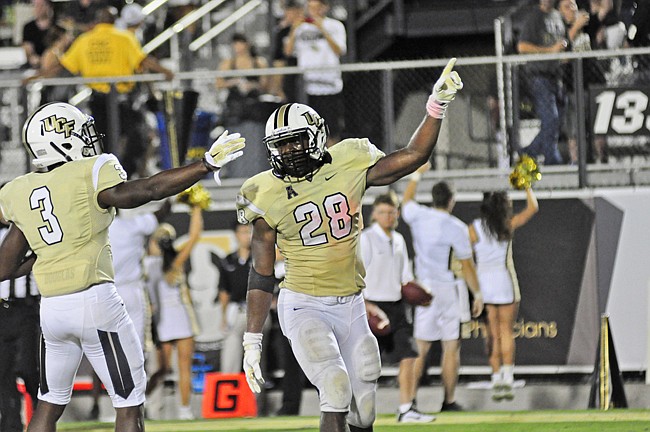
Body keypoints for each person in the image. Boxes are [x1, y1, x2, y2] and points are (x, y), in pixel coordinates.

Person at [237, 58, 463, 432]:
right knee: (335, 386)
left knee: (365, 409)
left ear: (317, 136)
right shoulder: (265, 190)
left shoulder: (349, 159)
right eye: (281, 144)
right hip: (304, 303)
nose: (289, 151)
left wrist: (436, 106)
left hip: (352, 302)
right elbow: (261, 272)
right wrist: (252, 338)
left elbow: (412, 156)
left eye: (295, 141)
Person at [0, 101, 245, 431]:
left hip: (53, 310)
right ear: (62, 139)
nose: (88, 140)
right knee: (129, 402)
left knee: (49, 401)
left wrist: (49, 255)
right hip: (95, 302)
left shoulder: (19, 190)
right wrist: (204, 165)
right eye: (79, 134)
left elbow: (4, 268)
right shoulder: (89, 171)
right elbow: (148, 189)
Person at [34, 6, 174, 177]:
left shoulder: (85, 40)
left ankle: (107, 177)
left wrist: (34, 77)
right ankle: (125, 175)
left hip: (98, 100)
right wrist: (165, 72)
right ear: (115, 20)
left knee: (103, 144)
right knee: (139, 137)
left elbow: (62, 66)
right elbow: (143, 60)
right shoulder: (124, 38)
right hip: (123, 99)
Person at [401, 163, 484, 413]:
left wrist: (416, 174)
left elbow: (406, 200)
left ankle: (409, 402)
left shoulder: (418, 215)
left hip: (423, 287)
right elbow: (467, 266)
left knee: (421, 348)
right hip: (447, 289)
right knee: (451, 346)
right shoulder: (456, 226)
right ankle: (448, 401)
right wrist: (477, 293)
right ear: (451, 200)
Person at [359, 192, 435, 423]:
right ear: (374, 214)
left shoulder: (400, 239)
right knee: (363, 364)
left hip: (396, 305)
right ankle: (354, 410)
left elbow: (405, 279)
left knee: (409, 355)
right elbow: (356, 275)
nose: (387, 217)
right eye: (383, 212)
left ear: (397, 214)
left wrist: (422, 293)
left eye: (392, 212)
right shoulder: (367, 239)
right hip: (372, 307)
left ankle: (406, 408)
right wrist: (366, 305)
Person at [468, 188, 538, 401]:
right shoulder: (506, 225)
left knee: (491, 333)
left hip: (483, 284)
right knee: (507, 332)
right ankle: (508, 377)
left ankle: (496, 377)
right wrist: (527, 187)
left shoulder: (474, 228)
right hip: (503, 282)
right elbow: (533, 208)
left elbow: (464, 256)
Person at [145, 205, 203, 420]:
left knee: (161, 371)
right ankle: (184, 410)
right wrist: (196, 208)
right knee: (182, 368)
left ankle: (144, 406)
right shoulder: (175, 263)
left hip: (163, 323)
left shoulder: (147, 265)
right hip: (180, 320)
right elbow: (195, 235)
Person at [284, 0, 347, 146]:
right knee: (308, 129)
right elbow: (288, 52)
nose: (313, 11)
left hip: (329, 85)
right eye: (310, 7)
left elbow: (340, 50)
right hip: (307, 87)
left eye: (317, 7)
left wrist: (322, 29)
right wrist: (294, 28)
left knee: (331, 128)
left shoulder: (335, 25)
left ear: (325, 7)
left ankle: (334, 160)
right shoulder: (301, 28)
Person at [0, 207, 40, 432]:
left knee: (28, 368)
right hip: (2, 310)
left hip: (27, 309)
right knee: (2, 372)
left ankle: (41, 419)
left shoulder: (30, 232)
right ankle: (11, 425)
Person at [517, 0, 569, 165]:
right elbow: (522, 47)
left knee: (557, 121)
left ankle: (527, 153)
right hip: (539, 75)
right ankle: (552, 160)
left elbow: (560, 42)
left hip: (557, 75)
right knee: (551, 119)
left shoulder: (556, 16)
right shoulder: (534, 18)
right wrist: (550, 51)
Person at [216, 33, 270, 178]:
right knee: (234, 138)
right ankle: (232, 171)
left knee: (254, 139)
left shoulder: (258, 62)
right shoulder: (228, 63)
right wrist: (234, 82)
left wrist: (252, 85)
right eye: (235, 44)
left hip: (253, 107)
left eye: (240, 43)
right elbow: (219, 83)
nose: (237, 47)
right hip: (235, 107)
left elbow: (265, 85)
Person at [558, 0, 591, 165]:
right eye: (567, 6)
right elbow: (561, 54)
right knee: (573, 128)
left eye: (573, 4)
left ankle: (599, 160)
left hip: (592, 81)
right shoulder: (559, 28)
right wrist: (575, 27)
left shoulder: (587, 25)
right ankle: (576, 162)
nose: (572, 8)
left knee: (595, 126)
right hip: (571, 86)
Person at [217, 222, 253, 373]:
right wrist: (224, 315)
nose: (246, 236)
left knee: (254, 361)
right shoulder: (228, 260)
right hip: (235, 310)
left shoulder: (262, 257)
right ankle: (229, 392)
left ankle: (255, 396)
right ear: (236, 235)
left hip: (256, 311)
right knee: (230, 358)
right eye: (243, 232)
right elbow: (224, 290)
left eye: (249, 232)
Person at [270, 0, 304, 102]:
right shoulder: (283, 32)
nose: (290, 14)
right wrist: (278, 86)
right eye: (287, 11)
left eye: (293, 11)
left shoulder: (310, 28)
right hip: (291, 72)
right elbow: (280, 59)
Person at [22, 0, 56, 70]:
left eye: (41, 5)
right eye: (35, 6)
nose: (38, 8)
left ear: (48, 7)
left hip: (54, 65)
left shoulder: (57, 26)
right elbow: (27, 48)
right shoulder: (28, 27)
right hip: (34, 66)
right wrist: (33, 58)